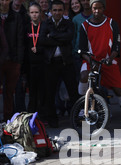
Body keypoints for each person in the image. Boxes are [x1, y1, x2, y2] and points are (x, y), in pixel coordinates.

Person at [78, 0, 121, 129]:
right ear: (91, 9)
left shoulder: (111, 23)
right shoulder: (84, 25)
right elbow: (81, 49)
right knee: (83, 76)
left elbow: (116, 46)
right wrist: (90, 60)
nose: (96, 11)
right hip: (90, 60)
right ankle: (82, 106)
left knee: (119, 90)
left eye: (99, 8)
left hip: (108, 60)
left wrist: (110, 58)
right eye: (94, 8)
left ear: (104, 8)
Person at [38, 0, 79, 128]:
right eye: (54, 10)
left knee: (73, 92)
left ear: (63, 11)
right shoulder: (45, 24)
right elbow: (42, 40)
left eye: (59, 10)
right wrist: (60, 38)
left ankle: (76, 118)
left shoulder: (69, 23)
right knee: (50, 93)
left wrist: (53, 36)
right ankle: (52, 120)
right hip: (50, 63)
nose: (57, 12)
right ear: (50, 11)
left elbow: (69, 37)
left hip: (66, 62)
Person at [0, 0, 24, 121]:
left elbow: (20, 40)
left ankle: (8, 117)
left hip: (12, 59)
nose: (4, 2)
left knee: (9, 91)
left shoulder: (16, 17)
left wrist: (19, 60)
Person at [25, 2, 46, 115]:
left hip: (42, 63)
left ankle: (42, 114)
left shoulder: (44, 26)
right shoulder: (26, 27)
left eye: (36, 12)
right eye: (32, 12)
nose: (34, 15)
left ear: (40, 13)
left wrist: (40, 49)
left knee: (42, 90)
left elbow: (49, 43)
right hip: (30, 64)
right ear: (29, 13)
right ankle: (31, 114)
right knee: (32, 91)